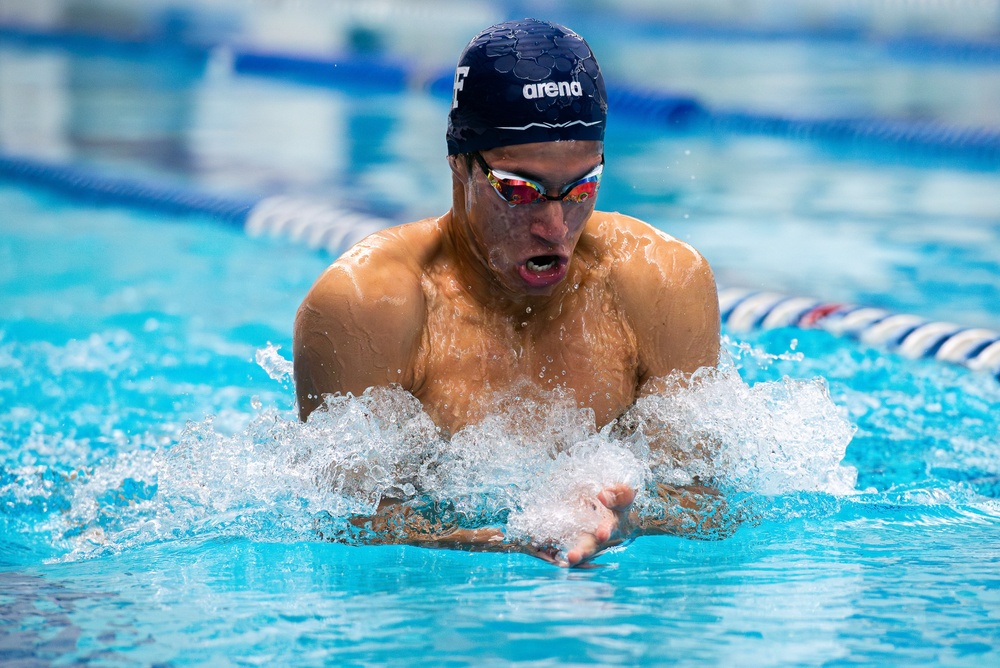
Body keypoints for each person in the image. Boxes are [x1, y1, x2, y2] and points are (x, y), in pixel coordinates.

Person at [294, 18, 720, 566]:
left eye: (581, 187)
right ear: (459, 163)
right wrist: (513, 542)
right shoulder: (371, 303)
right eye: (520, 191)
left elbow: (704, 504)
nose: (555, 226)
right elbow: (347, 523)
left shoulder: (659, 280)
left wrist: (623, 519)